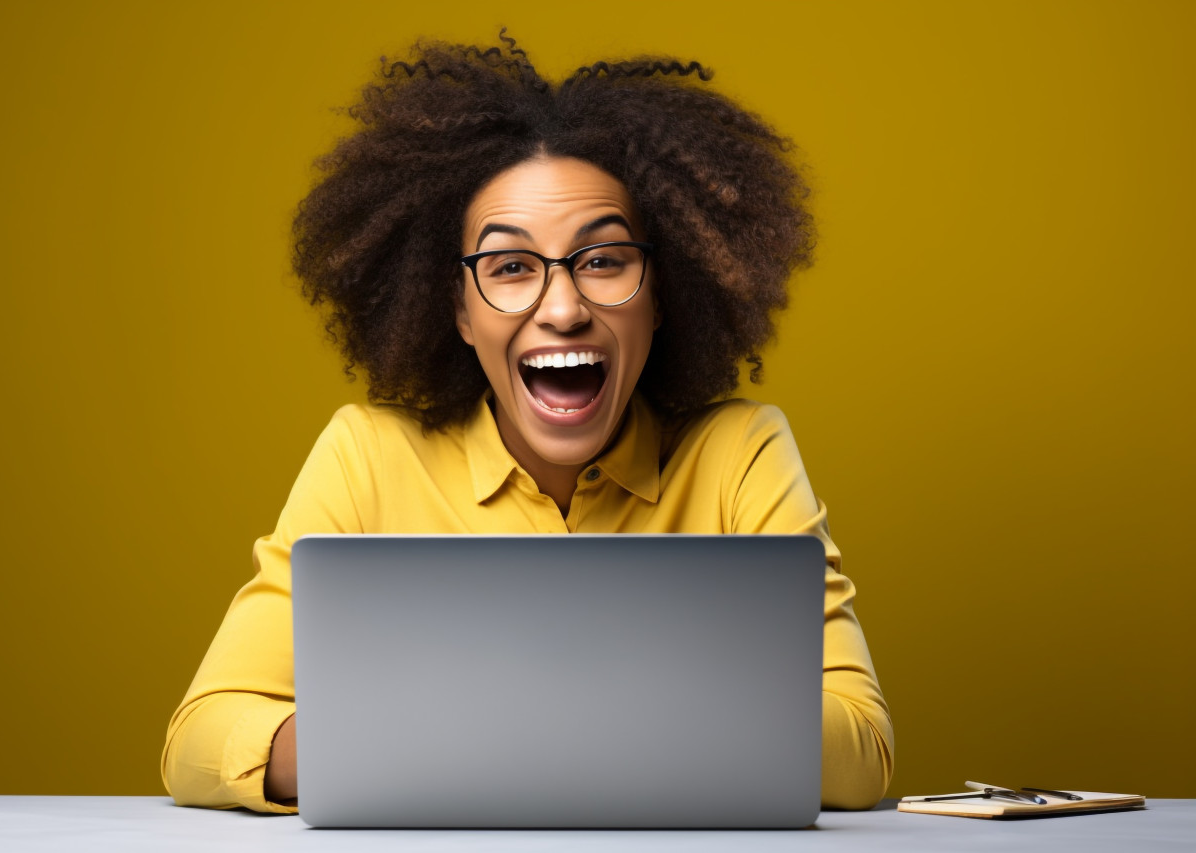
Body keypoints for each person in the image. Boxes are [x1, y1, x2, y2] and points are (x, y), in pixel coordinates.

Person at [162, 34, 894, 814]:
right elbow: (202, 740)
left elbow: (860, 755)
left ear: (660, 291)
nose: (564, 308)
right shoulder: (366, 457)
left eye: (604, 260)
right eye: (510, 267)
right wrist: (436, 740)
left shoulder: (741, 455)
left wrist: (505, 733)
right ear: (460, 310)